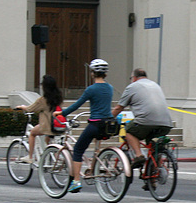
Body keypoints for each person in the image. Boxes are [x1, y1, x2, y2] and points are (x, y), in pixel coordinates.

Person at [59, 59, 114, 193]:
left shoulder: (91, 89)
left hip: (95, 124)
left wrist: (62, 113)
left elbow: (77, 105)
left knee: (78, 150)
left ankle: (76, 181)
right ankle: (94, 167)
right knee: (96, 147)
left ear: (92, 73)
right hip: (108, 124)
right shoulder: (110, 88)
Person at [111, 68, 173, 169]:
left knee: (128, 131)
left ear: (134, 78)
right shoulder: (155, 85)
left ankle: (139, 155)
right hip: (166, 123)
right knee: (154, 149)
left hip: (146, 121)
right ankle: (152, 179)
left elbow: (119, 107)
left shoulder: (132, 86)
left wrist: (108, 119)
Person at [15, 74, 64, 164]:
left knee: (32, 133)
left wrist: (22, 107)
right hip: (57, 124)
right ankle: (56, 157)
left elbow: (30, 109)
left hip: (47, 126)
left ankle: (30, 157)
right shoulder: (58, 97)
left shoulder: (43, 100)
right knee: (47, 140)